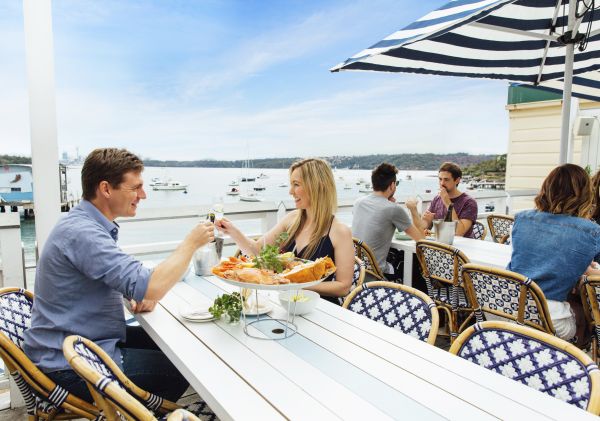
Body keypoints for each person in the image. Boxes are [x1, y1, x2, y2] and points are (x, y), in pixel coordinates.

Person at [23, 148, 215, 403]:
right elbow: (153, 287)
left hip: (79, 342)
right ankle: (136, 411)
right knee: (186, 368)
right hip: (72, 364)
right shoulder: (84, 233)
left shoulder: (83, 224)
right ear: (106, 189)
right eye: (135, 188)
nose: (142, 195)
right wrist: (191, 243)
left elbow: (113, 276)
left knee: (180, 347)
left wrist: (132, 291)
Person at [216, 158, 354, 303]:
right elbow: (256, 251)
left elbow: (343, 287)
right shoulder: (292, 220)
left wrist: (295, 284)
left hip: (320, 307)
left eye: (296, 184)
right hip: (286, 303)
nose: (290, 191)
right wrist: (232, 231)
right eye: (291, 184)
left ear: (318, 186)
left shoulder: (340, 232)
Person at [507, 164, 600, 343]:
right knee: (586, 317)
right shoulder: (591, 231)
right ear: (584, 194)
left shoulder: (522, 218)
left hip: (506, 305)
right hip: (547, 319)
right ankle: (571, 361)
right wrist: (587, 270)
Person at [352, 163, 424, 280]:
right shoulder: (392, 209)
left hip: (355, 269)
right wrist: (413, 209)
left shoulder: (358, 202)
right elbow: (421, 240)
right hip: (375, 274)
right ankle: (415, 296)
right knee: (414, 264)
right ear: (392, 185)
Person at [406, 162, 478, 238]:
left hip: (463, 247)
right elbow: (423, 228)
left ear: (457, 180)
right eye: (440, 179)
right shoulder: (437, 199)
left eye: (446, 180)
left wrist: (448, 203)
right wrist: (415, 212)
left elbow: (459, 233)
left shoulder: (469, 202)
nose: (442, 183)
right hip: (440, 245)